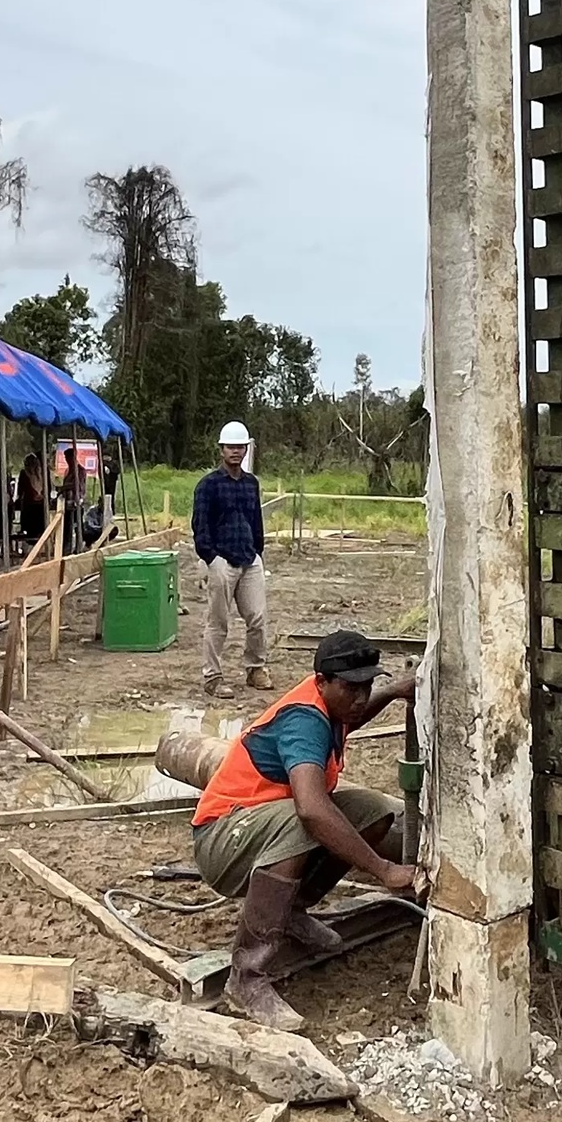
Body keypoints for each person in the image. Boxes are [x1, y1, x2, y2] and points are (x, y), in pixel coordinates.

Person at [190, 629, 421, 1029]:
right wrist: (384, 870)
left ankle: (291, 912)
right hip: (222, 837)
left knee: (373, 811)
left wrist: (394, 690)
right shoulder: (304, 721)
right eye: (352, 688)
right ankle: (246, 978)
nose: (361, 697)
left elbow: (355, 713)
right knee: (309, 819)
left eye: (367, 685)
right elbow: (312, 811)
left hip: (254, 826)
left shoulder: (333, 706)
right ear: (322, 683)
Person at [194, 420, 269, 694]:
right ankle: (213, 677)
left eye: (240, 447)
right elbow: (200, 526)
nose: (236, 452)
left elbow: (256, 520)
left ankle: (256, 668)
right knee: (218, 622)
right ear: (221, 450)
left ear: (246, 449)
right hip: (221, 561)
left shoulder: (251, 484)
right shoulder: (208, 485)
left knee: (258, 618)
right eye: (231, 447)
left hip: (250, 560)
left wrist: (258, 552)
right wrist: (211, 558)